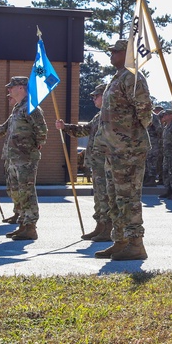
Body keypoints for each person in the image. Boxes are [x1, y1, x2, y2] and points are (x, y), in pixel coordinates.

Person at [92, 39, 153, 261]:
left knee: (128, 198)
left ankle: (136, 243)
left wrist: (131, 139)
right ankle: (120, 241)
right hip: (113, 151)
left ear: (126, 54)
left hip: (128, 150)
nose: (111, 55)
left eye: (115, 52)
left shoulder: (132, 77)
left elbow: (145, 111)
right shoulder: (117, 78)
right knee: (115, 198)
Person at [0, 77, 47, 240]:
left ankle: (30, 227)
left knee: (26, 191)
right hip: (14, 158)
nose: (8, 90)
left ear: (21, 88)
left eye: (11, 87)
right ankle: (23, 223)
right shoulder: (17, 108)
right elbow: (5, 127)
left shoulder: (31, 107)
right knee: (17, 192)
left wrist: (36, 145)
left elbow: (42, 129)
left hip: (25, 158)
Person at [57, 83, 110, 240]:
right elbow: (84, 130)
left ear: (105, 96)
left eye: (96, 96)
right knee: (99, 196)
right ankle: (100, 226)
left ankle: (108, 229)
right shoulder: (98, 116)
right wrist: (65, 127)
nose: (93, 98)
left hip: (107, 163)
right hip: (97, 164)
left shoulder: (112, 115)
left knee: (106, 196)